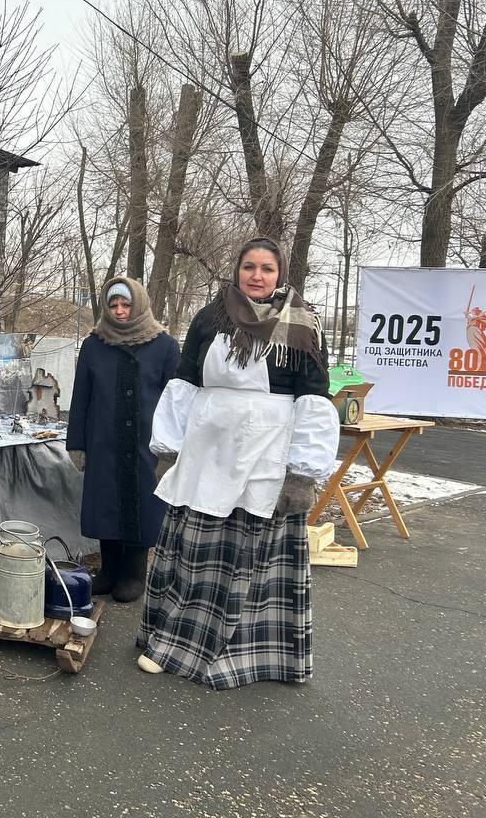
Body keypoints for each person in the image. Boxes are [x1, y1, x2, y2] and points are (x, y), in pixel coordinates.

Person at [140, 238, 339, 689]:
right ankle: (175, 641)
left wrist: (303, 472)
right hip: (208, 449)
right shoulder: (210, 318)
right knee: (197, 552)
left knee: (256, 556)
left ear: (279, 274)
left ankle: (252, 653)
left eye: (267, 268)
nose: (257, 275)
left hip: (268, 454)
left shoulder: (303, 324)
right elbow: (184, 384)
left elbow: (313, 397)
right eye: (249, 266)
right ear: (237, 271)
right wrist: (169, 450)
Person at [66, 277, 179, 602]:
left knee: (141, 505)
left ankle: (134, 573)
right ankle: (109, 570)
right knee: (105, 504)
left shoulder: (164, 346)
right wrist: (77, 442)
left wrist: (172, 447)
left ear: (139, 305)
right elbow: (81, 397)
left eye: (125, 304)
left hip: (147, 443)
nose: (118, 310)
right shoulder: (94, 345)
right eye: (113, 304)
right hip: (104, 440)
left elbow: (176, 400)